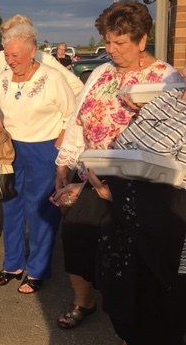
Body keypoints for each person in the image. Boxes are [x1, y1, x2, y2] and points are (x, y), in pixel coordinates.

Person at [53, 0, 183, 330]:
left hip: (139, 187)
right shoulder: (102, 73)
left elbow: (171, 136)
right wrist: (64, 165)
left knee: (131, 257)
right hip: (93, 177)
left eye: (121, 42)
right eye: (109, 41)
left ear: (142, 41)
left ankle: (132, 317)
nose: (112, 49)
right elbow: (78, 120)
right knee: (76, 237)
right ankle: (85, 302)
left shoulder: (166, 78)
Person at [71, 89, 186, 345]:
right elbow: (126, 147)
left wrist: (120, 194)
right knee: (130, 312)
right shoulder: (167, 98)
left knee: (161, 318)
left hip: (169, 238)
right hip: (128, 225)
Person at [0, 16, 83, 242]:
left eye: (11, 35)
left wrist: (62, 129)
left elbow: (77, 89)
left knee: (38, 204)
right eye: (5, 36)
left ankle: (35, 257)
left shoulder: (45, 61)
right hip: (6, 132)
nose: (7, 49)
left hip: (42, 141)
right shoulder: (2, 58)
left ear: (28, 41)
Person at [0, 16, 75, 293]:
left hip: (44, 150)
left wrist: (61, 140)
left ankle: (37, 269)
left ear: (31, 50)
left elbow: (72, 114)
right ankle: (13, 264)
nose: (10, 60)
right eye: (7, 55)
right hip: (11, 149)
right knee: (11, 207)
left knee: (41, 211)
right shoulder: (2, 79)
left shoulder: (52, 78)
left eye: (15, 55)